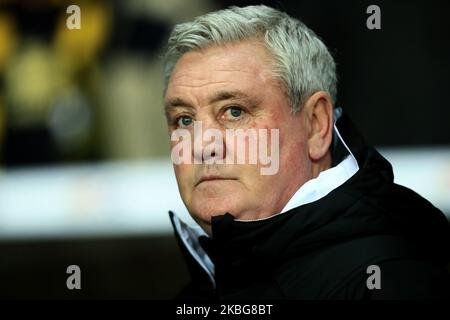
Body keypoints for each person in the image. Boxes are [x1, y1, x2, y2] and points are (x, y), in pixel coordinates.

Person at [163, 5, 450, 299]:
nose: (201, 145)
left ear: (316, 125)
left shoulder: (392, 281)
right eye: (184, 120)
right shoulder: (203, 291)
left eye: (234, 112)